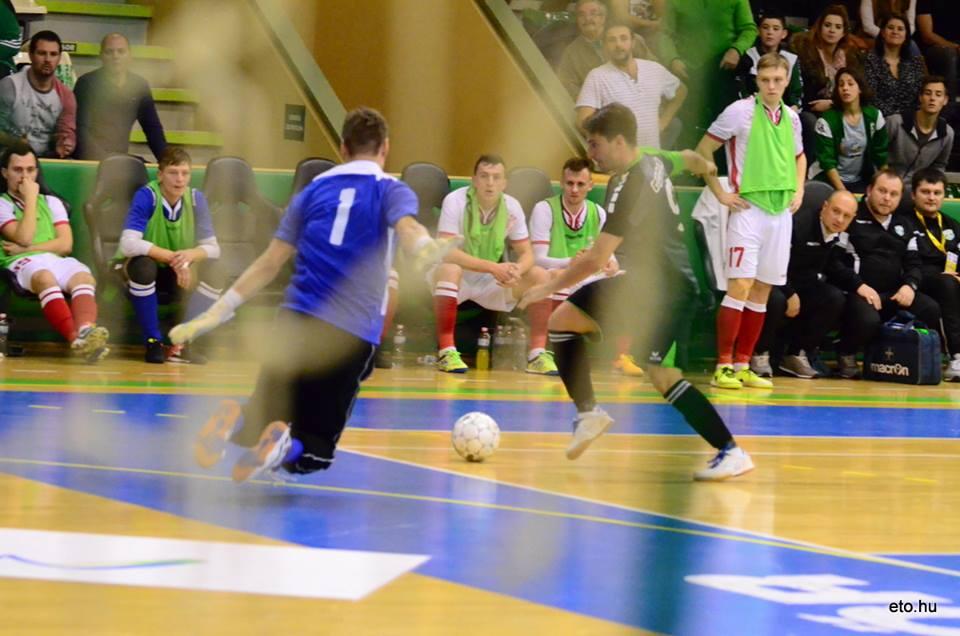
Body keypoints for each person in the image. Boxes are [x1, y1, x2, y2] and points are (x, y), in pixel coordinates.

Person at [169, 107, 458, 482]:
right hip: (351, 331)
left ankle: (237, 420)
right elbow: (408, 227)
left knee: (263, 413)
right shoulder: (390, 189)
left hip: (296, 317)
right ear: (385, 147)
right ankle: (283, 448)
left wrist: (218, 311)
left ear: (342, 148)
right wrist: (423, 246)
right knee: (316, 449)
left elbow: (269, 262)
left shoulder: (313, 191)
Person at [519, 103, 754, 481]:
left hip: (667, 288)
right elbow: (687, 157)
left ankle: (731, 450)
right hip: (645, 282)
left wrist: (546, 287)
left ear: (618, 141)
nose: (591, 154)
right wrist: (706, 167)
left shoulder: (630, 185)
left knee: (663, 375)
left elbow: (597, 259)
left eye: (595, 144)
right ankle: (589, 414)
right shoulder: (651, 159)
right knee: (563, 321)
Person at [696, 52, 806, 390]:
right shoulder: (739, 111)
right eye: (765, 80)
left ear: (786, 81)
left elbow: (800, 157)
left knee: (762, 290)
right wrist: (720, 192)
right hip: (747, 211)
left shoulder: (792, 118)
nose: (771, 86)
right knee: (740, 286)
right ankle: (723, 366)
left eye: (777, 80)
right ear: (756, 80)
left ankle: (744, 364)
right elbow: (702, 150)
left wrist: (800, 190)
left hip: (780, 214)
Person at [431, 155, 556, 375]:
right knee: (451, 269)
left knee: (540, 276)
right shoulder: (455, 201)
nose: (490, 183)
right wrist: (493, 267)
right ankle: (446, 352)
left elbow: (527, 253)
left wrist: (516, 270)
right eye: (484, 176)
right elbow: (447, 252)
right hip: (451, 277)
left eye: (496, 177)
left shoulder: (512, 206)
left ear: (504, 183)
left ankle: (537, 355)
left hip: (489, 280)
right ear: (474, 180)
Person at [528, 157, 641, 376]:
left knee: (625, 282)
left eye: (580, 184)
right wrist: (570, 263)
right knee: (556, 276)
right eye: (570, 183)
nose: (574, 189)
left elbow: (609, 254)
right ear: (562, 182)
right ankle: (545, 353)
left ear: (590, 185)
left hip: (586, 275)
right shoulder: (544, 209)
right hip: (555, 273)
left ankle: (622, 356)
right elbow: (538, 259)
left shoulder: (597, 212)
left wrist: (612, 265)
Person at [117, 146, 225, 364]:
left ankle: (183, 342)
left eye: (185, 173)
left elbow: (214, 248)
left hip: (178, 271)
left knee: (217, 271)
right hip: (144, 267)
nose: (179, 179)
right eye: (173, 172)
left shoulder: (196, 199)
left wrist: (190, 255)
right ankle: (153, 342)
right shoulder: (147, 196)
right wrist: (172, 258)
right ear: (160, 175)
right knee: (144, 266)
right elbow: (128, 244)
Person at [0, 143, 108, 361]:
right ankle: (75, 339)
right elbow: (23, 237)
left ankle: (86, 330)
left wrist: (29, 247)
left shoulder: (52, 202)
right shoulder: (3, 203)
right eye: (18, 170)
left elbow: (65, 244)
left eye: (30, 170)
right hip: (19, 261)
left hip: (51, 257)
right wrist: (31, 199)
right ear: (4, 173)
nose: (25, 177)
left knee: (83, 277)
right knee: (45, 278)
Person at [835, 169, 941, 378]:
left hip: (893, 294)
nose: (887, 198)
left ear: (900, 198)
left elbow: (914, 263)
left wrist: (910, 286)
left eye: (894, 194)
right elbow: (834, 262)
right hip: (859, 292)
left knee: (930, 308)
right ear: (869, 190)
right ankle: (846, 352)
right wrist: (858, 286)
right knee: (867, 319)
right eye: (882, 191)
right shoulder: (851, 217)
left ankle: (901, 358)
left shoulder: (905, 224)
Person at [775, 190, 861, 378]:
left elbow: (833, 266)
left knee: (833, 298)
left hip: (806, 285)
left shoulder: (839, 234)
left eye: (846, 216)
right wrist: (789, 293)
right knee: (776, 299)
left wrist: (859, 286)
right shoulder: (798, 225)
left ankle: (797, 353)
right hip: (778, 282)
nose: (839, 219)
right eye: (836, 211)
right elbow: (775, 262)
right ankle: (760, 353)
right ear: (824, 207)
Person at [656, 0, 758, 148]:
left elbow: (749, 29)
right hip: (689, 72)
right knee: (689, 129)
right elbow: (664, 34)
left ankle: (724, 162)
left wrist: (736, 50)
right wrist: (672, 59)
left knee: (726, 126)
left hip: (723, 71)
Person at [577, 22, 686, 149]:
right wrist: (611, 147)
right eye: (612, 40)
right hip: (619, 158)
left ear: (633, 42)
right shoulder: (597, 76)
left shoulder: (653, 69)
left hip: (652, 154)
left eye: (623, 38)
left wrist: (663, 123)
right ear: (605, 46)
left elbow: (681, 90)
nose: (618, 44)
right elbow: (583, 122)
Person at [74, 33, 167, 161]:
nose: (115, 56)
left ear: (130, 55)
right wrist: (106, 159)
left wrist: (167, 160)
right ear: (101, 56)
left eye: (121, 51)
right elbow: (81, 130)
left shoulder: (139, 85)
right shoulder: (86, 83)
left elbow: (152, 128)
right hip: (89, 160)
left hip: (119, 158)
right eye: (109, 52)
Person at [907, 167, 960, 380]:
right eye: (925, 192)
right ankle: (956, 357)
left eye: (937, 193)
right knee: (947, 284)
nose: (931, 197)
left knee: (949, 283)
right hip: (917, 281)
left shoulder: (952, 225)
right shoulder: (904, 221)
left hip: (949, 279)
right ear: (913, 194)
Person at [791, 5, 864, 159]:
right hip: (811, 109)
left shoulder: (850, 57)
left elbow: (858, 90)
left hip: (841, 106)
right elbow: (806, 94)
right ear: (820, 27)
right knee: (810, 121)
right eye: (828, 25)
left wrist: (833, 103)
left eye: (838, 27)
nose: (832, 30)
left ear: (844, 32)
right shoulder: (806, 52)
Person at [0, 31, 75, 158]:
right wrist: (15, 143)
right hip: (10, 157)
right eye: (42, 53)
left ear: (59, 58)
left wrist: (65, 143)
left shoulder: (66, 95)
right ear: (31, 55)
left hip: (48, 160)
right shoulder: (9, 86)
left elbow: (66, 131)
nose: (47, 60)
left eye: (53, 54)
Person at [556, 0, 651, 100]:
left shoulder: (628, 39)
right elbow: (569, 87)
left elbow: (652, 68)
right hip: (603, 107)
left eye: (593, 13)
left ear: (603, 18)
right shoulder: (571, 53)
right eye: (581, 15)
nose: (587, 18)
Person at [814, 67, 889, 192]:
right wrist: (843, 192)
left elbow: (881, 154)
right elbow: (827, 162)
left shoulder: (874, 116)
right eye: (841, 85)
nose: (845, 88)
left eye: (850, 84)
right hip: (829, 181)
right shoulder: (826, 120)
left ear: (860, 88)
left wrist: (887, 183)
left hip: (861, 179)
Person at [885, 75, 954, 189]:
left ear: (945, 100)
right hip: (888, 185)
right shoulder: (895, 122)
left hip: (919, 189)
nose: (932, 98)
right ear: (920, 97)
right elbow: (878, 155)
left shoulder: (947, 133)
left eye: (938, 94)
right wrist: (886, 180)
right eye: (927, 93)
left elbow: (939, 165)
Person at [734, 13, 804, 111]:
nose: (770, 32)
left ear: (784, 34)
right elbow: (741, 88)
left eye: (775, 29)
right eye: (765, 28)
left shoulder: (791, 58)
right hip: (753, 110)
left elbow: (797, 93)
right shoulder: (748, 56)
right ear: (758, 31)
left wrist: (792, 109)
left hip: (785, 111)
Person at [863, 13, 927, 119]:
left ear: (906, 35)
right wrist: (896, 116)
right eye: (890, 28)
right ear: (882, 33)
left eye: (900, 29)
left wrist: (911, 117)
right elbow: (871, 97)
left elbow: (921, 94)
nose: (895, 32)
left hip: (912, 118)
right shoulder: (870, 61)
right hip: (883, 118)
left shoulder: (915, 62)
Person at [916, 0, 959, 102]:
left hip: (956, 46)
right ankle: (949, 104)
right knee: (948, 55)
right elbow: (927, 35)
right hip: (934, 47)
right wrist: (955, 47)